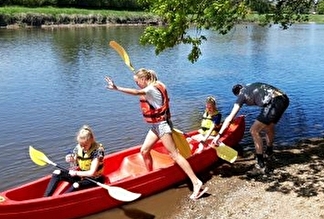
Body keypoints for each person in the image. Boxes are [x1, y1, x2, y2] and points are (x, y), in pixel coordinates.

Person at [104, 68, 207, 200]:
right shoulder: (156, 84)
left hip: (162, 125)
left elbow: (137, 92)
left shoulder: (151, 89)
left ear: (144, 79)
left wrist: (116, 88)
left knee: (174, 155)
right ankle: (151, 176)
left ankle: (196, 182)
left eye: (137, 82)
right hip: (156, 125)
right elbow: (146, 84)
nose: (137, 84)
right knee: (144, 151)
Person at [212, 82, 289, 175]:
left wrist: (219, 135)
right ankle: (269, 152)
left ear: (237, 94)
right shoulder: (251, 86)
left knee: (254, 130)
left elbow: (230, 117)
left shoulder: (241, 95)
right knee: (269, 126)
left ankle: (260, 165)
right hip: (284, 99)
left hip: (273, 102)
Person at [44, 125, 105, 196]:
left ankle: (59, 201)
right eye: (80, 144)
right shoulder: (79, 147)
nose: (82, 148)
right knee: (56, 173)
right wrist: (70, 158)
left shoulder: (97, 151)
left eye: (85, 145)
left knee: (76, 184)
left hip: (95, 179)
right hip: (81, 175)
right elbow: (74, 158)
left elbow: (91, 173)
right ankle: (46, 198)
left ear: (91, 140)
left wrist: (75, 173)